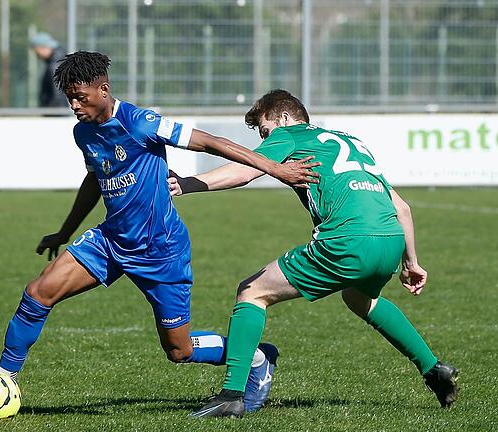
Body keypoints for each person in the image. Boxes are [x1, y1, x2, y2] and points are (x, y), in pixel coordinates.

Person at [0, 52, 319, 411]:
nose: (75, 106)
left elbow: (212, 142)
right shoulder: (83, 132)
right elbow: (94, 179)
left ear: (103, 89)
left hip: (161, 250)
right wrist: (63, 231)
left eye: (80, 97)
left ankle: (256, 357)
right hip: (110, 240)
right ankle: (0, 381)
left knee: (179, 350)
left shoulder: (142, 122)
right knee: (38, 292)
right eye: (70, 99)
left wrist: (275, 168)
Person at [167, 89, 459, 417]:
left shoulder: (290, 134)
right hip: (390, 238)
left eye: (265, 131)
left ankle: (232, 394)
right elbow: (402, 208)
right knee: (361, 300)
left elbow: (247, 169)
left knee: (252, 291)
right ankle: (434, 370)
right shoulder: (347, 140)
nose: (265, 139)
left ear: (286, 118)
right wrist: (411, 262)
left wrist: (189, 183)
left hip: (348, 240)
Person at [30, 32, 68, 108]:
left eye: (36, 51)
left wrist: (50, 112)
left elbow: (58, 94)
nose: (36, 54)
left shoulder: (55, 64)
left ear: (43, 47)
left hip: (56, 113)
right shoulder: (57, 61)